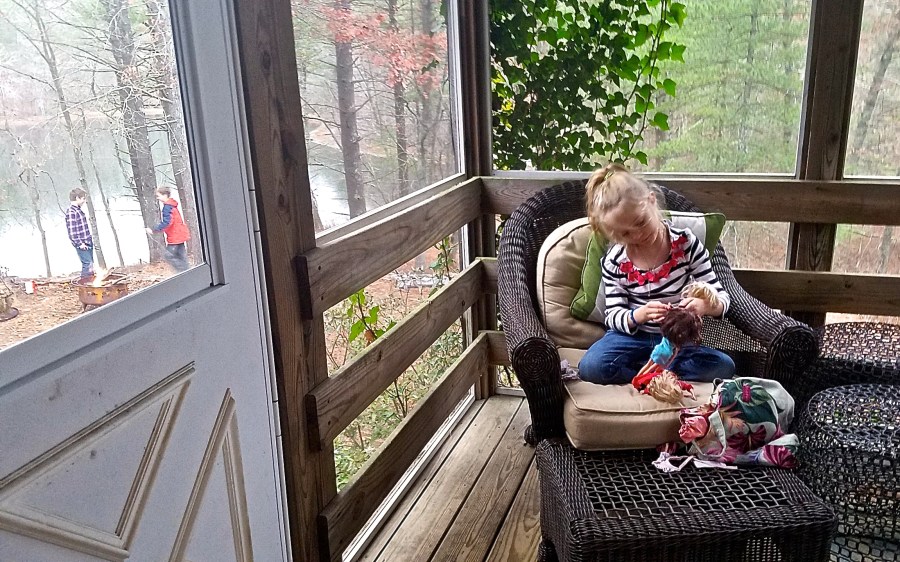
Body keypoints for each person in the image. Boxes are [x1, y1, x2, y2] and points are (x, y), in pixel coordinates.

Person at [577, 163, 735, 384]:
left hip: (676, 340)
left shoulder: (685, 245)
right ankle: (655, 372)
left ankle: (654, 370)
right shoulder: (616, 261)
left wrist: (706, 306)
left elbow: (722, 297)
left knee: (723, 366)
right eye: (625, 234)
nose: (637, 235)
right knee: (591, 367)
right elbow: (613, 315)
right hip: (630, 339)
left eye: (641, 222)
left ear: (651, 200)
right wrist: (638, 315)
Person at [146, 186, 191, 272]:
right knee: (181, 256)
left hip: (175, 236)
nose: (158, 198)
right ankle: (187, 272)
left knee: (168, 255)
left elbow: (167, 223)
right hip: (180, 234)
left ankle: (184, 271)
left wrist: (153, 230)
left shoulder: (167, 207)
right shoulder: (172, 205)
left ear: (165, 195)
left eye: (158, 196)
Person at [65, 188, 94, 279]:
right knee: (87, 264)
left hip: (87, 241)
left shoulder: (78, 210)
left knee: (90, 265)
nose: (84, 201)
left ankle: (90, 282)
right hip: (82, 244)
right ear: (77, 198)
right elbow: (72, 231)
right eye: (83, 198)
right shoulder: (71, 212)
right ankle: (85, 283)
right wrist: (80, 243)